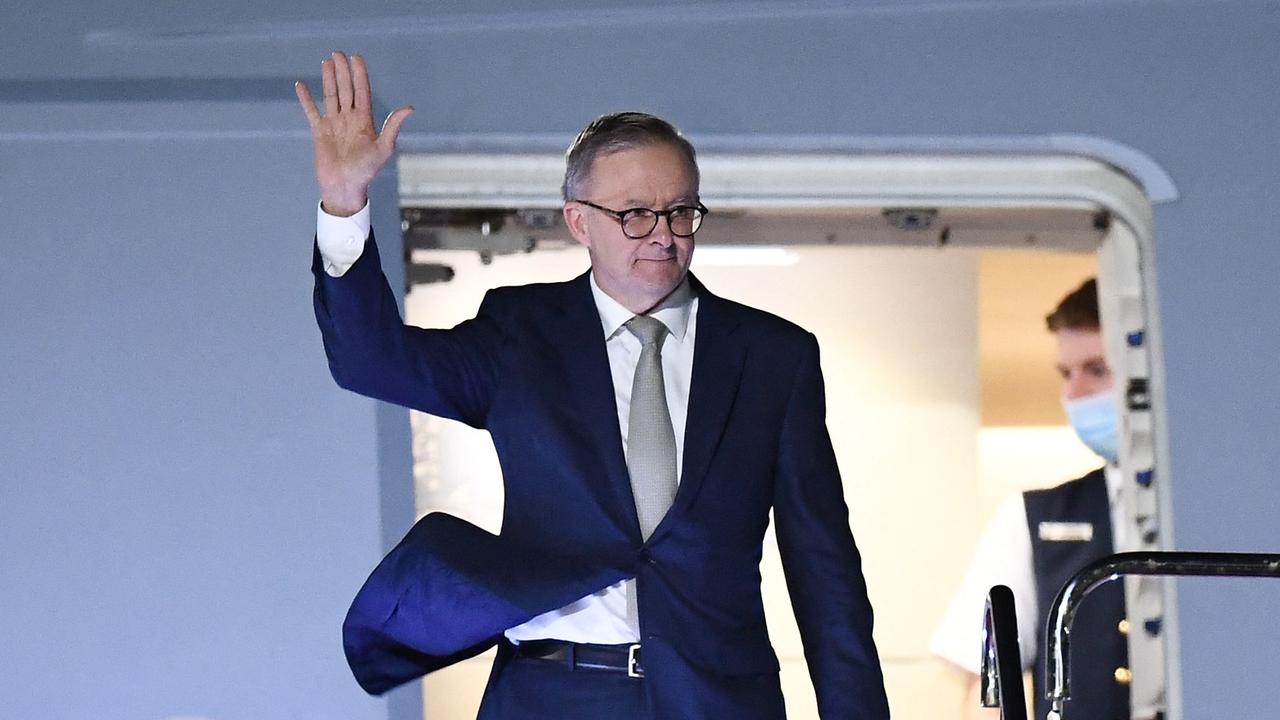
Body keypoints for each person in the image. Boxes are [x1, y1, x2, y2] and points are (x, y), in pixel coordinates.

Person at [296, 51, 889, 720]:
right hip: (552, 695)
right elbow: (370, 363)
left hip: (719, 702)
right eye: (635, 213)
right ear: (580, 222)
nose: (662, 236)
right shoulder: (520, 333)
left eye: (680, 213)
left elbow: (825, 573)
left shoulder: (773, 357)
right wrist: (345, 205)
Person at [930, 278, 1143, 720]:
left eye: (1097, 370)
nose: (1074, 393)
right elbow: (986, 686)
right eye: (1067, 374)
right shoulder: (1031, 519)